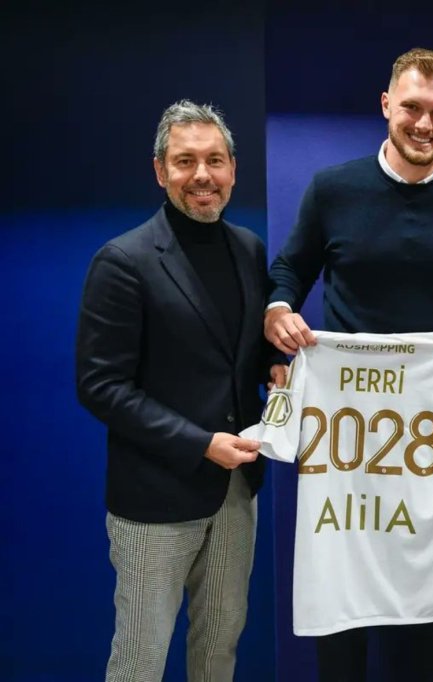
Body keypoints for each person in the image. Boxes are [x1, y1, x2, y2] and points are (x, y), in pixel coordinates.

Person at [263, 48, 433, 681]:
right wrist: (278, 309)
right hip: (347, 416)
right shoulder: (333, 188)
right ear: (386, 105)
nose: (424, 124)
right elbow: (291, 268)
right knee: (341, 579)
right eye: (411, 108)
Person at [76, 100, 281, 681]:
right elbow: (100, 386)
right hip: (154, 502)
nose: (202, 176)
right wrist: (199, 443)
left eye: (214, 160)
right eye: (185, 161)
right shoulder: (123, 261)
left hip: (237, 492)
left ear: (233, 170)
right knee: (141, 661)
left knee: (219, 651)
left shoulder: (249, 249)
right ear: (160, 170)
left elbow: (237, 348)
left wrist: (273, 364)